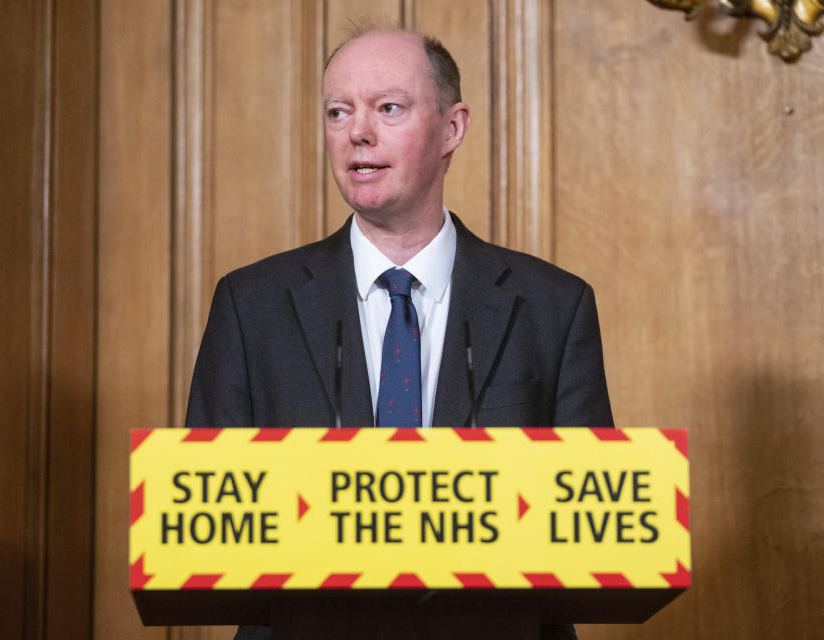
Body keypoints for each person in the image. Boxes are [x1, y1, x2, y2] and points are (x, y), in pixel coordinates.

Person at [186, 28, 613, 640]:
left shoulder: (553, 305)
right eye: (339, 112)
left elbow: (588, 527)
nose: (358, 132)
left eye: (388, 108)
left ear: (452, 128)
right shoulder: (252, 304)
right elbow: (207, 520)